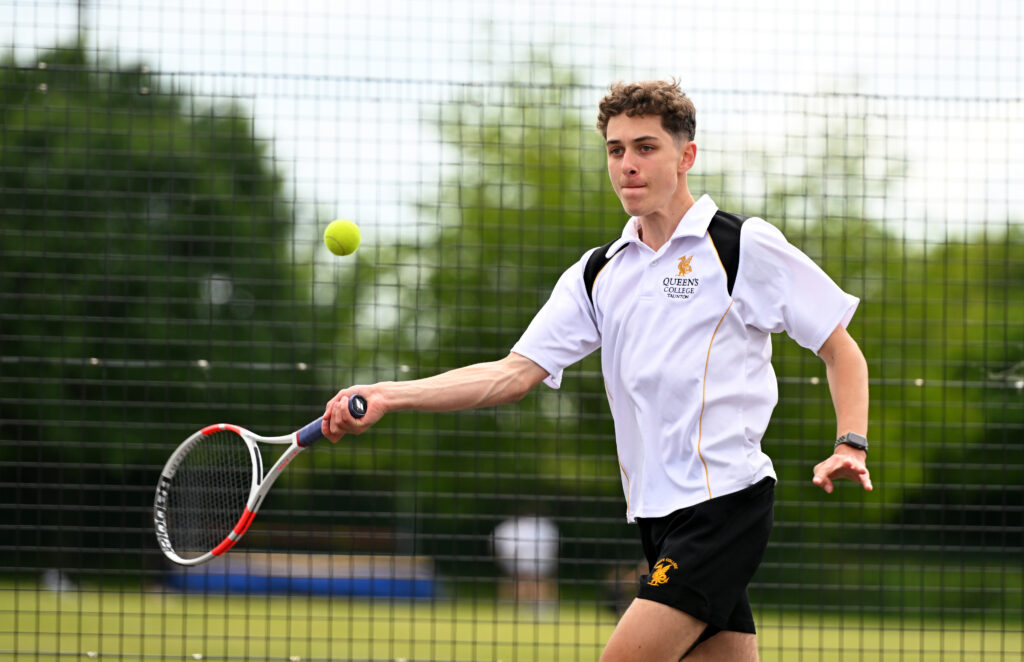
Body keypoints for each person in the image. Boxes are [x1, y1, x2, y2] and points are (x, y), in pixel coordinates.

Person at [321, 79, 872, 661]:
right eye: (616, 149)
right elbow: (513, 373)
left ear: (686, 156)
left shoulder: (740, 244)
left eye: (645, 147)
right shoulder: (597, 273)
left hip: (725, 507)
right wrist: (388, 394)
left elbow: (841, 349)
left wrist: (850, 443)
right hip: (655, 514)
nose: (627, 164)